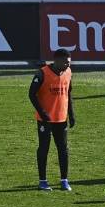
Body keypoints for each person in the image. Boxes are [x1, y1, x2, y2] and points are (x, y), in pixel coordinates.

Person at [28, 49, 74, 192]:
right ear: (57, 60)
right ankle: (43, 181)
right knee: (44, 148)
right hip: (45, 120)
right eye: (66, 61)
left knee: (63, 149)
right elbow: (31, 94)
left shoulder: (68, 72)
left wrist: (71, 114)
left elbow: (69, 92)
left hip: (61, 119)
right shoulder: (42, 73)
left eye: (69, 62)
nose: (68, 64)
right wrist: (43, 113)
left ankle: (64, 180)